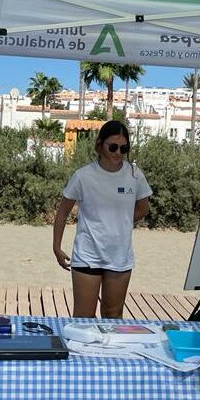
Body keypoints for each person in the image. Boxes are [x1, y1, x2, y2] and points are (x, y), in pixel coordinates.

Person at [52, 121, 151, 318]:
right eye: (113, 147)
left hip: (120, 256)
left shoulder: (134, 175)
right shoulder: (83, 176)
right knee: (84, 318)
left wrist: (119, 223)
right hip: (87, 255)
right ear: (100, 145)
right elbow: (62, 213)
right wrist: (57, 247)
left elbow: (143, 208)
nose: (118, 152)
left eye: (124, 148)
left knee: (113, 316)